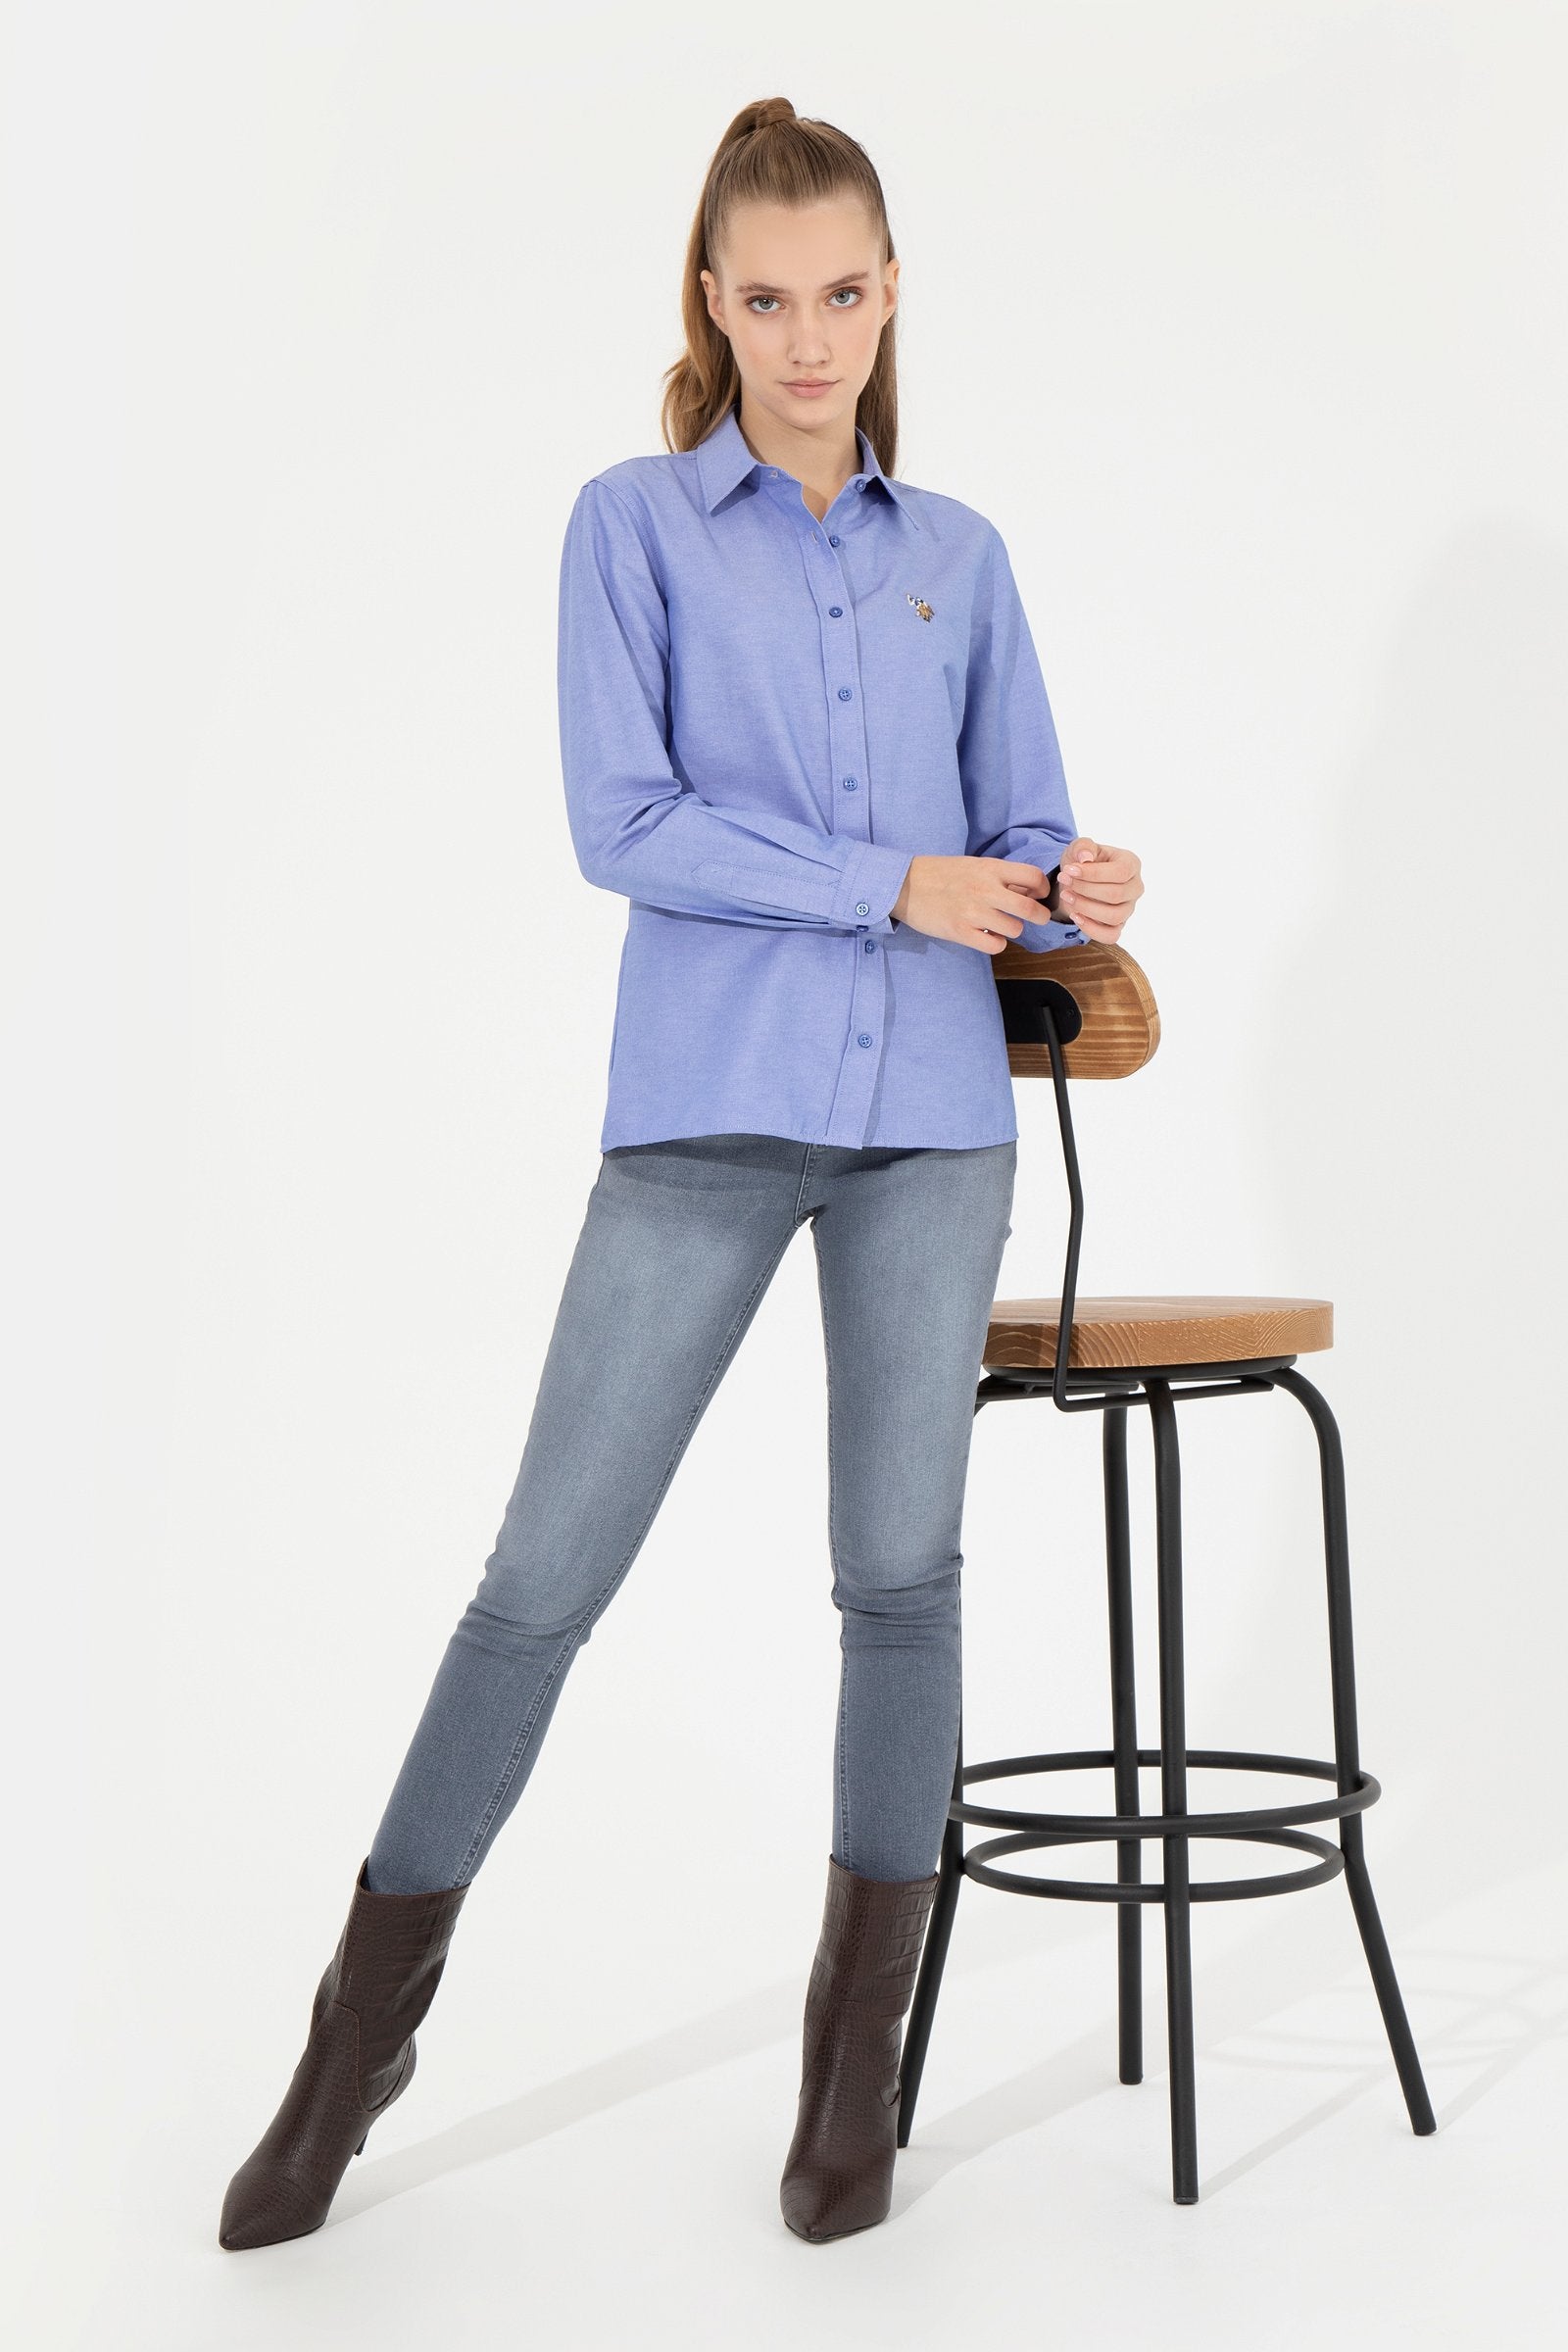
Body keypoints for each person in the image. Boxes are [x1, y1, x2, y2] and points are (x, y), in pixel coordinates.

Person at [219, 94, 1146, 2254]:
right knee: (541, 1580)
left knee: (898, 1580)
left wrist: (1059, 874)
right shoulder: (627, 525)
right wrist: (889, 882)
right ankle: (354, 2050)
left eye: (843, 295)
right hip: (705, 1118)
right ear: (710, 302)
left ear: (890, 296)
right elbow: (620, 824)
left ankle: (850, 2073)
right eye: (767, 298)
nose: (807, 340)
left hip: (933, 1128)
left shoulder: (962, 555)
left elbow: (1010, 825)